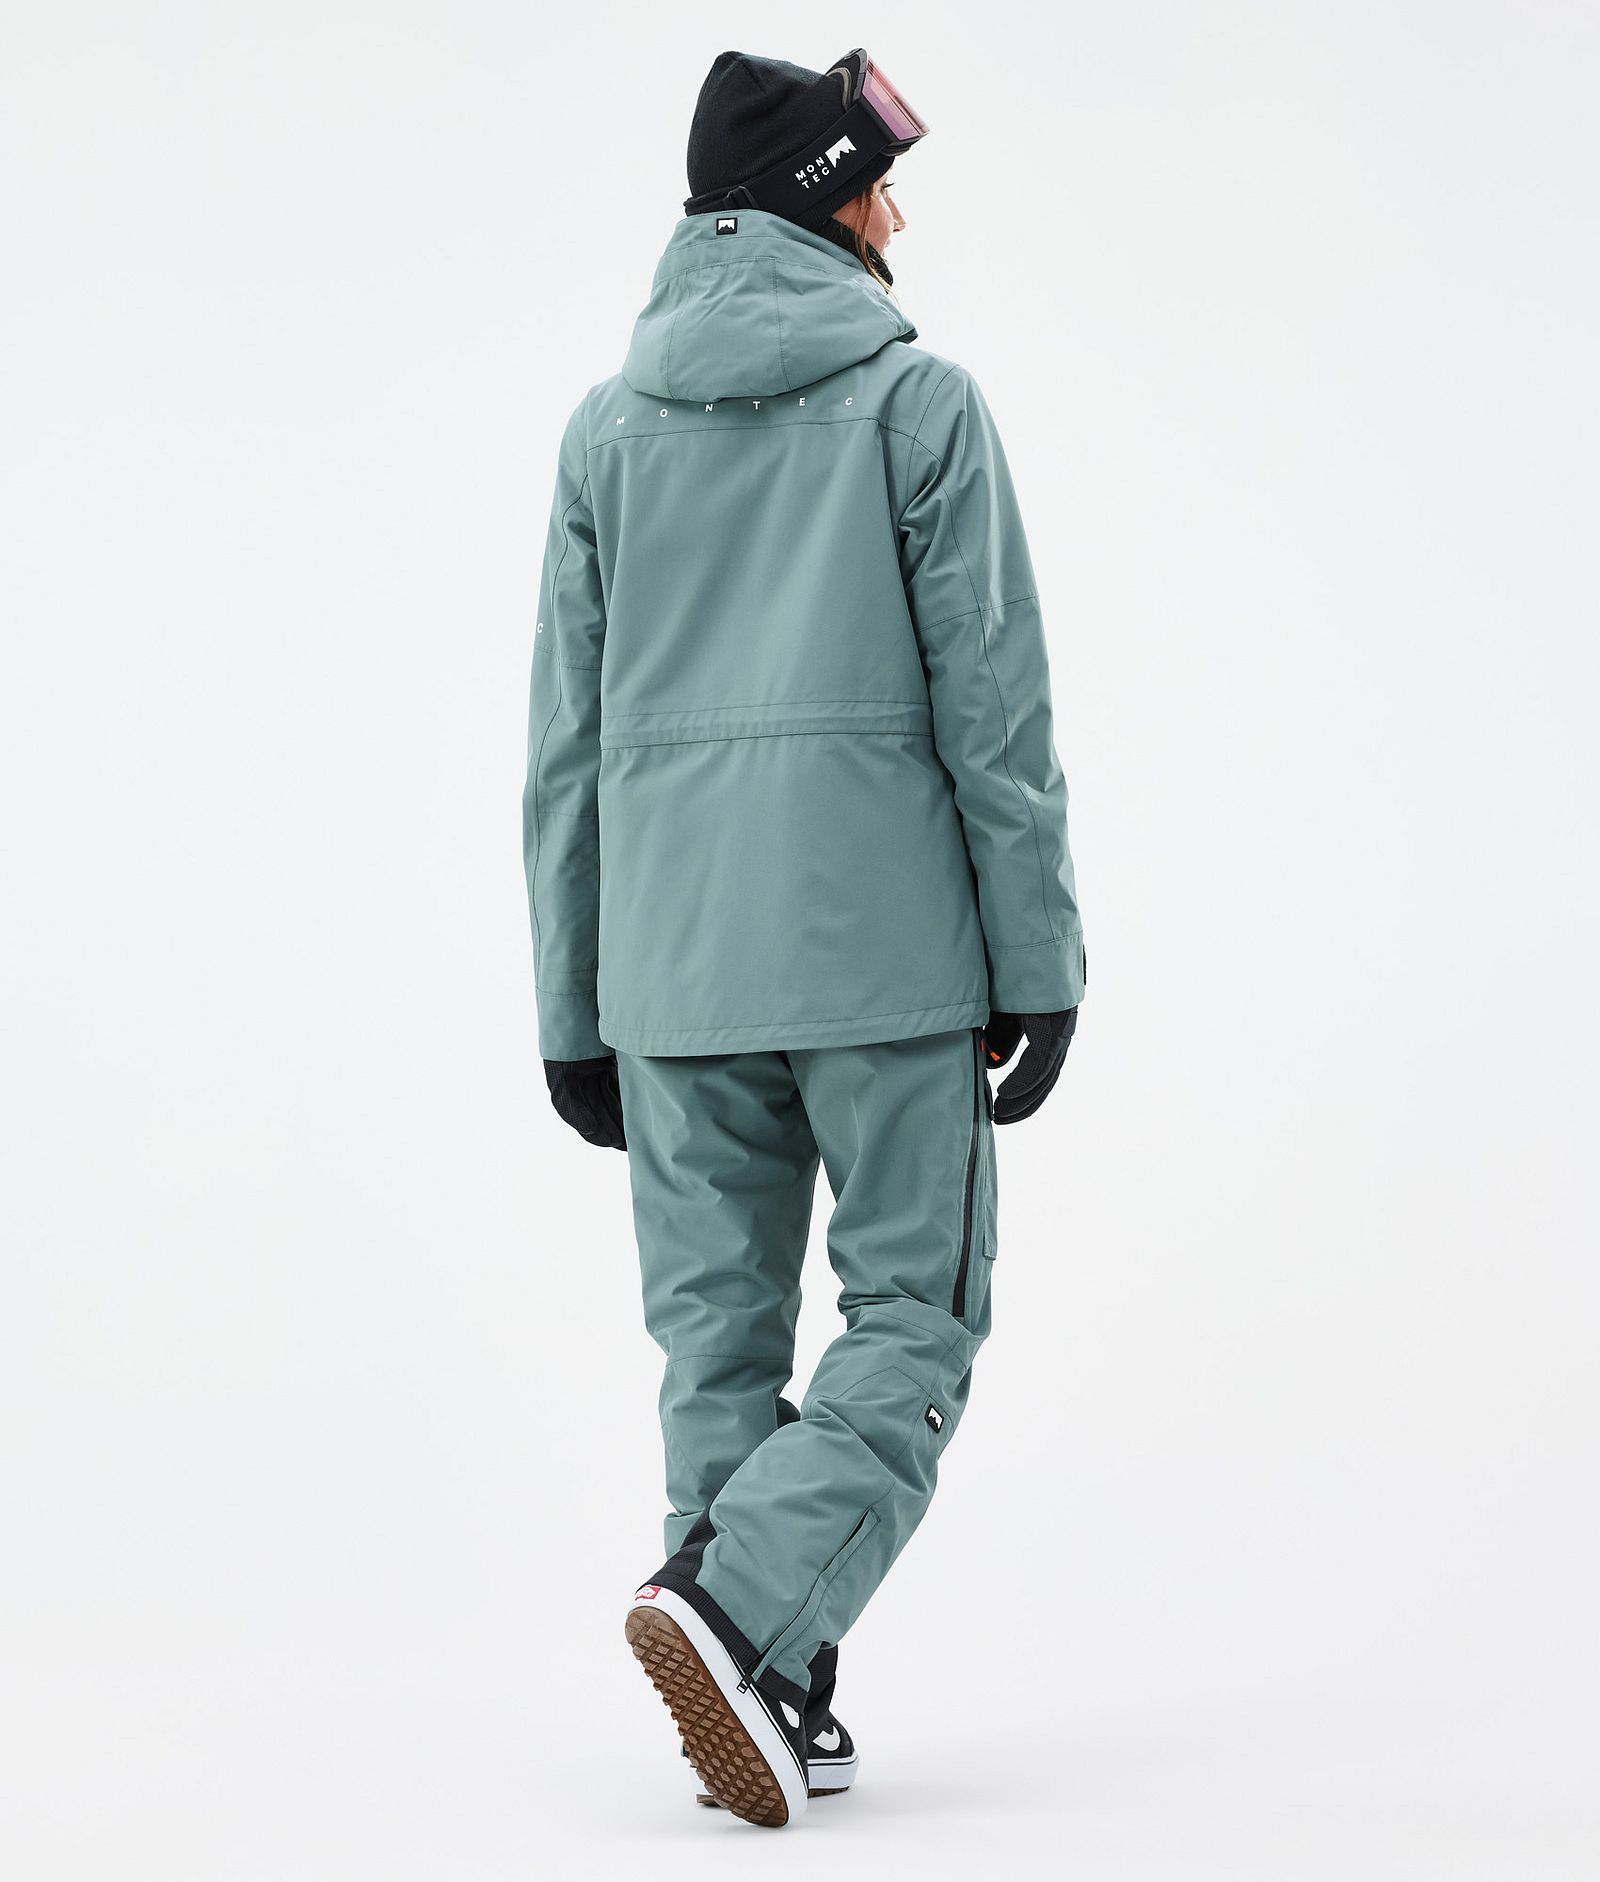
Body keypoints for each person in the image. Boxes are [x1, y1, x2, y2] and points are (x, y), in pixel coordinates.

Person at [524, 48, 1085, 1828]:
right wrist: (1039, 962)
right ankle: (740, 1610)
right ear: (811, 201)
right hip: (883, 966)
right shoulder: (921, 409)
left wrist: (572, 1005)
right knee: (916, 1313)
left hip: (671, 972)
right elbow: (996, 715)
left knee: (717, 1342)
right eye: (872, 185)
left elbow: (564, 749)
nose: (894, 217)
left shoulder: (606, 433)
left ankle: (765, 1684)